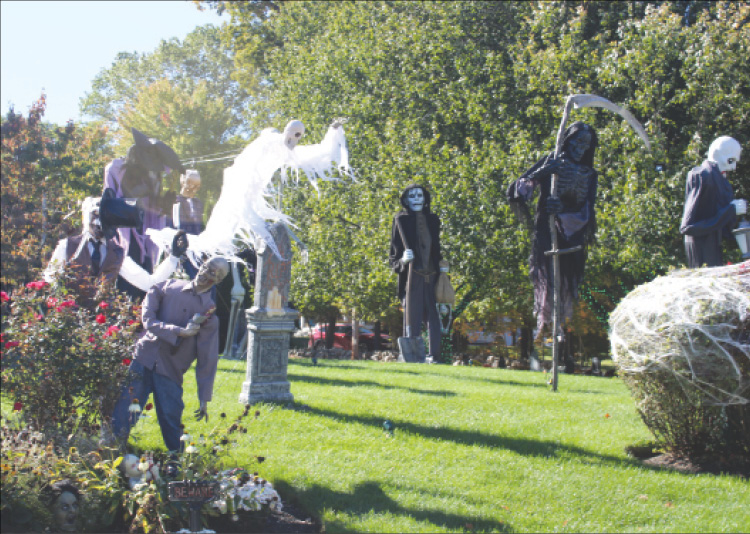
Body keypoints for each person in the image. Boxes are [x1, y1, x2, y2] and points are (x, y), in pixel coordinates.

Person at [110, 256, 230, 452]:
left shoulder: (209, 316)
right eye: (205, 267)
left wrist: (204, 397)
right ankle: (111, 453)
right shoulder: (166, 287)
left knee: (170, 418)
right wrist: (179, 332)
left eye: (213, 273)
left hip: (170, 370)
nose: (204, 273)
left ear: (218, 280)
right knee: (124, 411)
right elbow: (148, 321)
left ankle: (176, 462)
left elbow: (207, 358)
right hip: (143, 359)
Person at [507, 121, 599, 336]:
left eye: (586, 144)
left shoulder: (590, 174)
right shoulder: (553, 159)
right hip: (546, 233)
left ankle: (560, 327)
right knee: (547, 279)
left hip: (570, 238)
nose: (580, 148)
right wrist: (542, 172)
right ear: (568, 141)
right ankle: (547, 325)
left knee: (563, 283)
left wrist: (563, 210)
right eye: (577, 142)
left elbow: (587, 210)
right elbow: (518, 190)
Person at [43, 193, 188, 309]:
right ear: (85, 216)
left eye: (102, 217)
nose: (97, 222)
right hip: (67, 317)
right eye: (94, 215)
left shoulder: (116, 253)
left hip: (98, 322)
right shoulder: (68, 246)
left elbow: (149, 283)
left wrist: (173, 257)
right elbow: (50, 277)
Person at [103, 128, 185, 300]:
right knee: (126, 282)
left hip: (146, 235)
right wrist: (132, 197)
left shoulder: (153, 175)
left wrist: (164, 205)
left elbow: (153, 209)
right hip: (123, 234)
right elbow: (108, 203)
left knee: (146, 279)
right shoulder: (115, 168)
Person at [389, 184, 447, 363]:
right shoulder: (401, 220)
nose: (416, 199)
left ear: (425, 198)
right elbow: (393, 255)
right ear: (406, 200)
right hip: (412, 276)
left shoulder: (433, 220)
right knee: (412, 315)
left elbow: (436, 248)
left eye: (419, 195)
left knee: (433, 317)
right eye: (412, 196)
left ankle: (434, 355)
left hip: (432, 275)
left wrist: (442, 268)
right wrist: (403, 260)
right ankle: (412, 356)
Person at [680, 136, 747, 268]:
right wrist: (731, 210)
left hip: (713, 245)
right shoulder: (702, 175)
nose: (733, 167)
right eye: (731, 161)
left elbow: (722, 225)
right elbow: (688, 227)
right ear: (718, 154)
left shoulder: (721, 181)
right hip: (701, 249)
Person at [167, 169, 205, 278]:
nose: (194, 188)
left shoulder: (198, 203)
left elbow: (200, 226)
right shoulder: (175, 201)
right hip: (182, 248)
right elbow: (174, 226)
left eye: (197, 185)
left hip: (197, 249)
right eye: (191, 184)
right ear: (183, 182)